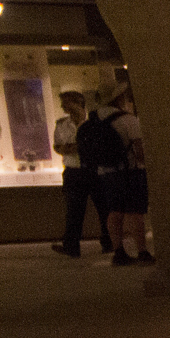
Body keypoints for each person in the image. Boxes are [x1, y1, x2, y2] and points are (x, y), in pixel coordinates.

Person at [89, 84, 153, 265]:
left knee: (114, 212)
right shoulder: (128, 120)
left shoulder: (94, 120)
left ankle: (119, 252)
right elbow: (139, 150)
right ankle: (142, 252)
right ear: (119, 98)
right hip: (130, 171)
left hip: (106, 173)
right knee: (135, 213)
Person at [52, 89, 110, 256]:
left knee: (104, 209)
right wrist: (72, 148)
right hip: (73, 171)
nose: (63, 107)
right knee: (74, 211)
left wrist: (77, 147)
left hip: (93, 170)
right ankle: (71, 246)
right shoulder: (62, 124)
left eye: (66, 103)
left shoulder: (94, 122)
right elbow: (58, 146)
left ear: (78, 103)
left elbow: (97, 145)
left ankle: (109, 242)